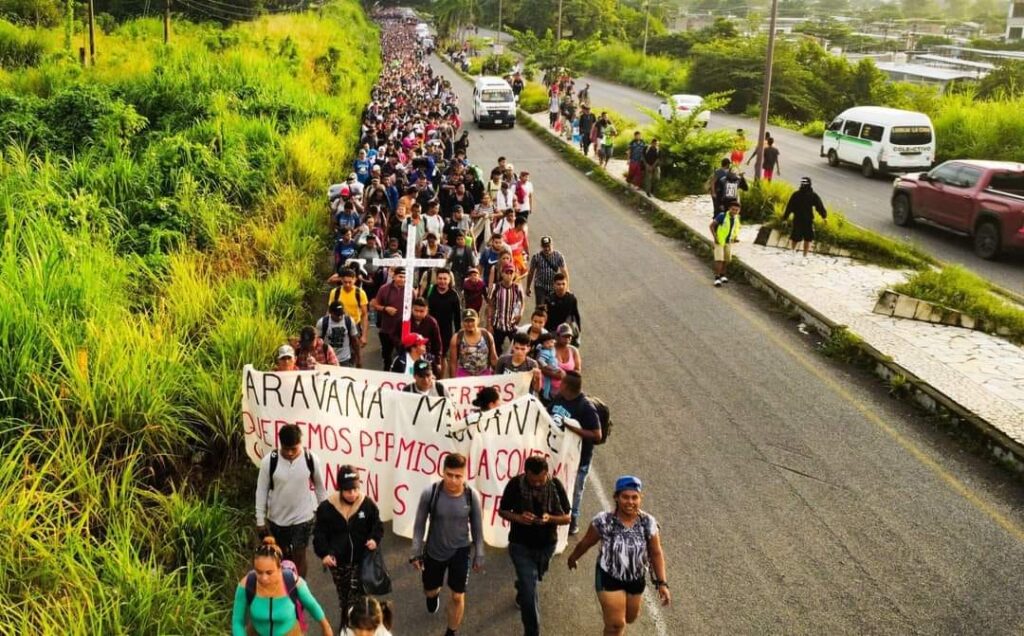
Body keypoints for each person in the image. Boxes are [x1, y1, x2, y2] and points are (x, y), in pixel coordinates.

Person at [566, 476, 670, 636]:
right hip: (609, 577)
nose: (630, 502)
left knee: (630, 618)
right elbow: (586, 542)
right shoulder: (603, 521)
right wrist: (573, 557)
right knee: (616, 624)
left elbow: (656, 552)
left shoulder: (648, 522)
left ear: (640, 498)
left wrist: (662, 583)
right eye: (625, 497)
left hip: (636, 579)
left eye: (634, 497)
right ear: (616, 497)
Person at [411, 453, 485, 636]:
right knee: (430, 591)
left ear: (465, 475)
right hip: (434, 551)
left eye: (458, 476)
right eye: (449, 474)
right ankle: (433, 595)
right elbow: (419, 525)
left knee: (458, 596)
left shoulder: (471, 495)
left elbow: (477, 526)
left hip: (460, 551)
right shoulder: (431, 493)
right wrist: (415, 552)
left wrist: (480, 553)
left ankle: (451, 632)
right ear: (442, 472)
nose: (453, 480)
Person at [498, 455, 572, 636]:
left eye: (541, 480)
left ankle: (521, 587)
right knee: (530, 591)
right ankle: (532, 632)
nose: (538, 484)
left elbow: (567, 517)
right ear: (526, 473)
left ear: (547, 474)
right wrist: (519, 518)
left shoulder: (555, 485)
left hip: (546, 545)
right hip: (520, 544)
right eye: (533, 480)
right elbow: (503, 511)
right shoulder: (515, 484)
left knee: (535, 578)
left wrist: (550, 518)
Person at [313, 466, 384, 630]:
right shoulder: (327, 507)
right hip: (338, 562)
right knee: (345, 597)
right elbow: (319, 534)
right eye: (347, 490)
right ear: (340, 488)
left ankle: (352, 628)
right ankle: (347, 624)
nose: (352, 493)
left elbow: (377, 525)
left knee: (357, 596)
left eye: (355, 489)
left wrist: (374, 539)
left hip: (362, 560)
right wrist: (324, 554)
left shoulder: (367, 504)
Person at [255, 423, 328, 578]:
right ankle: (284, 590)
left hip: (303, 518)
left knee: (299, 554)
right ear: (280, 444)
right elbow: (261, 491)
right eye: (285, 448)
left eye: (294, 449)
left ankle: (299, 591)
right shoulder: (269, 462)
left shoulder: (310, 459)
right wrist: (260, 521)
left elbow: (320, 488)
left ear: (301, 442)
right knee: (282, 557)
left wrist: (326, 514)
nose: (289, 453)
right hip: (277, 520)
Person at [232, 536, 333, 636]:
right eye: (258, 572)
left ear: (280, 568)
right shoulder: (246, 585)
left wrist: (326, 627)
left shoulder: (293, 583)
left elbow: (312, 606)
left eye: (269, 572)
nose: (264, 578)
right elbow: (237, 621)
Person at [549, 370, 600, 535]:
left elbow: (597, 435)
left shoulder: (585, 407)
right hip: (557, 454)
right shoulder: (560, 398)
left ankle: (573, 519)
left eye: (562, 382)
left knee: (574, 490)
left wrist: (572, 428)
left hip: (578, 460)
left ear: (567, 386)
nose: (559, 384)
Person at [370, 267, 409, 368]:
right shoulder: (384, 289)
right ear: (394, 276)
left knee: (403, 359)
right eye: (400, 276)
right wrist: (385, 309)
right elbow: (375, 304)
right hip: (386, 329)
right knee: (387, 358)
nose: (403, 279)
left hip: (403, 331)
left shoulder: (410, 291)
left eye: (405, 277)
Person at [782, 176, 827, 262]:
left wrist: (785, 218)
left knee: (801, 237)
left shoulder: (798, 195)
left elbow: (789, 207)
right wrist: (824, 216)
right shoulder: (810, 195)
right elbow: (819, 207)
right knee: (803, 237)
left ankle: (797, 254)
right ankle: (800, 255)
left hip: (801, 219)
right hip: (805, 220)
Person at [449, 308, 497, 378]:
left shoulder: (487, 335)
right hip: (464, 375)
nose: (469, 324)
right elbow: (453, 363)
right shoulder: (456, 338)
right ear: (462, 323)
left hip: (484, 374)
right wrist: (453, 381)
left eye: (472, 320)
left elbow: (493, 359)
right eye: (466, 321)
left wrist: (498, 377)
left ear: (478, 320)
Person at [488, 264, 525, 353]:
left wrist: (520, 314)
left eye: (511, 273)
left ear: (514, 274)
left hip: (512, 325)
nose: (509, 275)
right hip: (498, 325)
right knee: (496, 349)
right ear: (502, 274)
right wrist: (489, 323)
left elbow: (522, 303)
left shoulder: (517, 288)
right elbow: (490, 305)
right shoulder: (495, 288)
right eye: (506, 272)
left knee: (517, 347)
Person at [316, 302, 362, 368]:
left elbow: (355, 341)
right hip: (328, 360)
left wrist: (359, 359)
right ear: (330, 312)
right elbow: (317, 341)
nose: (340, 317)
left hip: (344, 360)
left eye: (341, 314)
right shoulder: (322, 323)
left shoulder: (348, 321)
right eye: (337, 315)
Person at [527, 235, 568, 307]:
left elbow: (564, 272)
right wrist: (528, 287)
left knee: (553, 308)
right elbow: (531, 273)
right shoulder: (536, 257)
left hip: (553, 287)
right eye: (544, 246)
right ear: (541, 246)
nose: (547, 249)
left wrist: (566, 288)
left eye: (548, 246)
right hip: (540, 286)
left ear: (552, 245)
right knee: (540, 307)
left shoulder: (559, 256)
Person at [709, 198, 741, 287]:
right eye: (733, 209)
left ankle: (723, 274)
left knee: (726, 259)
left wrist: (735, 238)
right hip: (720, 241)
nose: (734, 211)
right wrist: (715, 237)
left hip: (729, 241)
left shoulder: (736, 218)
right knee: (719, 259)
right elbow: (711, 226)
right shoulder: (722, 216)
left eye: (736, 210)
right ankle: (717, 277)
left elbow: (735, 229)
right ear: (729, 209)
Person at [544, 273, 581, 341]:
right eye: (558, 284)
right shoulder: (548, 299)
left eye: (563, 284)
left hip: (567, 331)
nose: (561, 286)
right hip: (552, 331)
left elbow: (576, 315)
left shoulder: (572, 298)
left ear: (566, 284)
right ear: (554, 285)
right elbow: (545, 316)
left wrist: (578, 330)